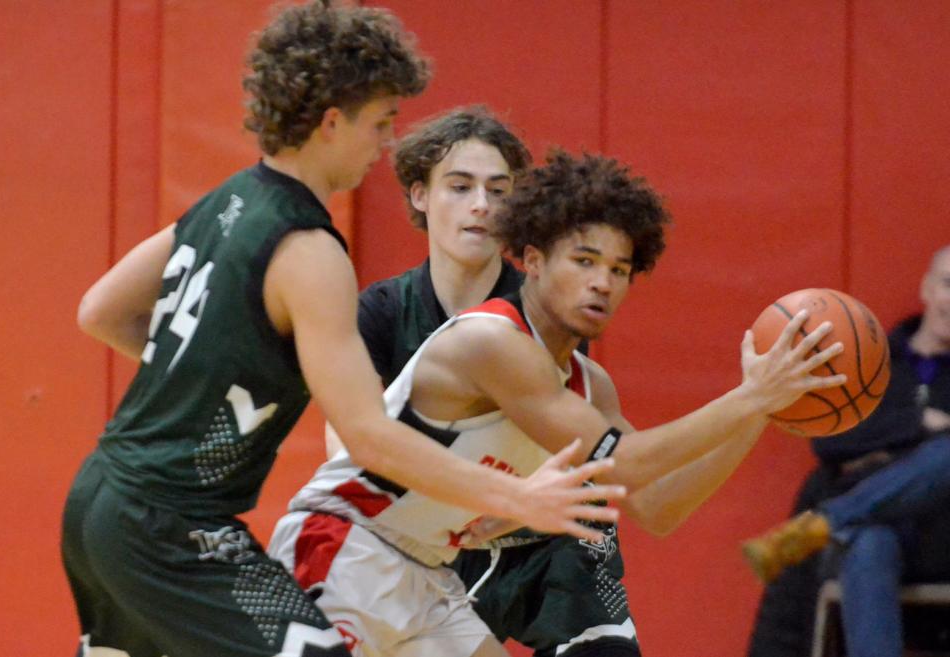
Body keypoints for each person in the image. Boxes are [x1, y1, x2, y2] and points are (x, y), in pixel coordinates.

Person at [59, 5, 623, 657]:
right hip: (175, 526)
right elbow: (369, 436)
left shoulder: (226, 200)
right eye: (381, 121)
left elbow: (101, 309)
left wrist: (219, 374)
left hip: (98, 498)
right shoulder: (307, 247)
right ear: (333, 122)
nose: (385, 142)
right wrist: (519, 496)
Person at [269, 150, 847, 657]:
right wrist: (748, 395)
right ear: (534, 260)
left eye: (619, 270)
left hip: (425, 575)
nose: (603, 283)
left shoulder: (589, 383)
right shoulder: (492, 342)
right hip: (343, 545)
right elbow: (623, 461)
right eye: (585, 261)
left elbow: (658, 507)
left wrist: (761, 411)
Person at [323, 105, 638, 657]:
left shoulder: (545, 301)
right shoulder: (379, 310)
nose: (481, 206)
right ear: (420, 194)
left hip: (544, 541)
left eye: (498, 190)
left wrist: (517, 502)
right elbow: (348, 442)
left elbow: (573, 439)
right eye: (460, 186)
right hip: (434, 535)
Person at [742, 245, 950, 657]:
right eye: (948, 284)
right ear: (927, 289)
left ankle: (827, 520)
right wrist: (921, 425)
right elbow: (831, 441)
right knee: (869, 543)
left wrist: (882, 452)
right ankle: (836, 521)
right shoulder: (872, 359)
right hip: (870, 537)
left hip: (941, 537)